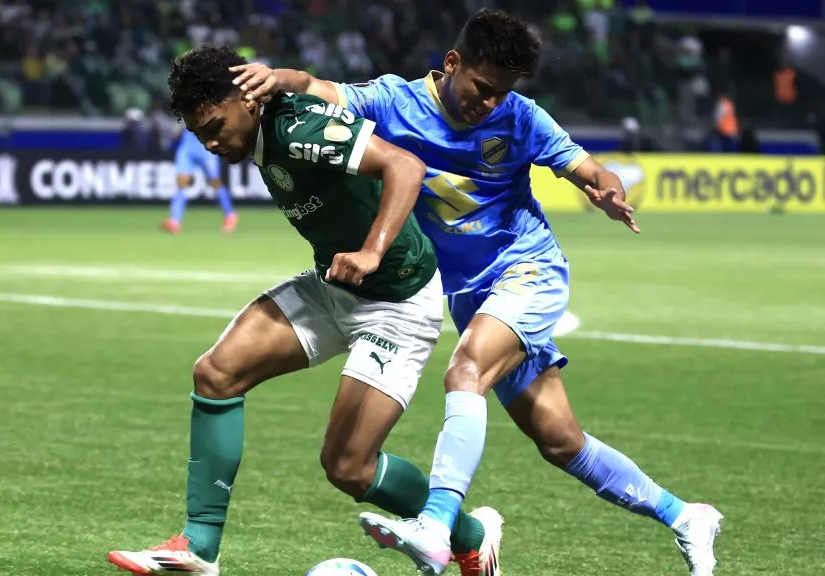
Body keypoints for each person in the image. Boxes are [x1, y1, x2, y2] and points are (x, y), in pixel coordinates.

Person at [233, 9, 722, 576]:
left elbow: (593, 171)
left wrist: (606, 192)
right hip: (468, 297)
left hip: (527, 271)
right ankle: (687, 516)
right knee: (560, 441)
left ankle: (436, 527)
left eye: (501, 94)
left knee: (465, 371)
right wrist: (276, 75)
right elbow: (317, 88)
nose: (489, 103)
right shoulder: (394, 101)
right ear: (452, 63)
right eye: (482, 88)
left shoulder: (522, 118)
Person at [107, 45, 503, 576]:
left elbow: (405, 167)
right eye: (199, 133)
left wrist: (372, 250)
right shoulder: (261, 121)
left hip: (396, 302)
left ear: (248, 100)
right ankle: (199, 546)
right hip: (333, 286)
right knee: (216, 373)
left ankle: (473, 536)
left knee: (347, 467)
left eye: (216, 125)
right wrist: (283, 76)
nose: (210, 142)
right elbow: (303, 82)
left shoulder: (296, 128)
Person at [164, 127, 238, 235]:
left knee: (215, 182)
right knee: (182, 182)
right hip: (188, 145)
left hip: (204, 145)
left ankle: (230, 215)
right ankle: (175, 221)